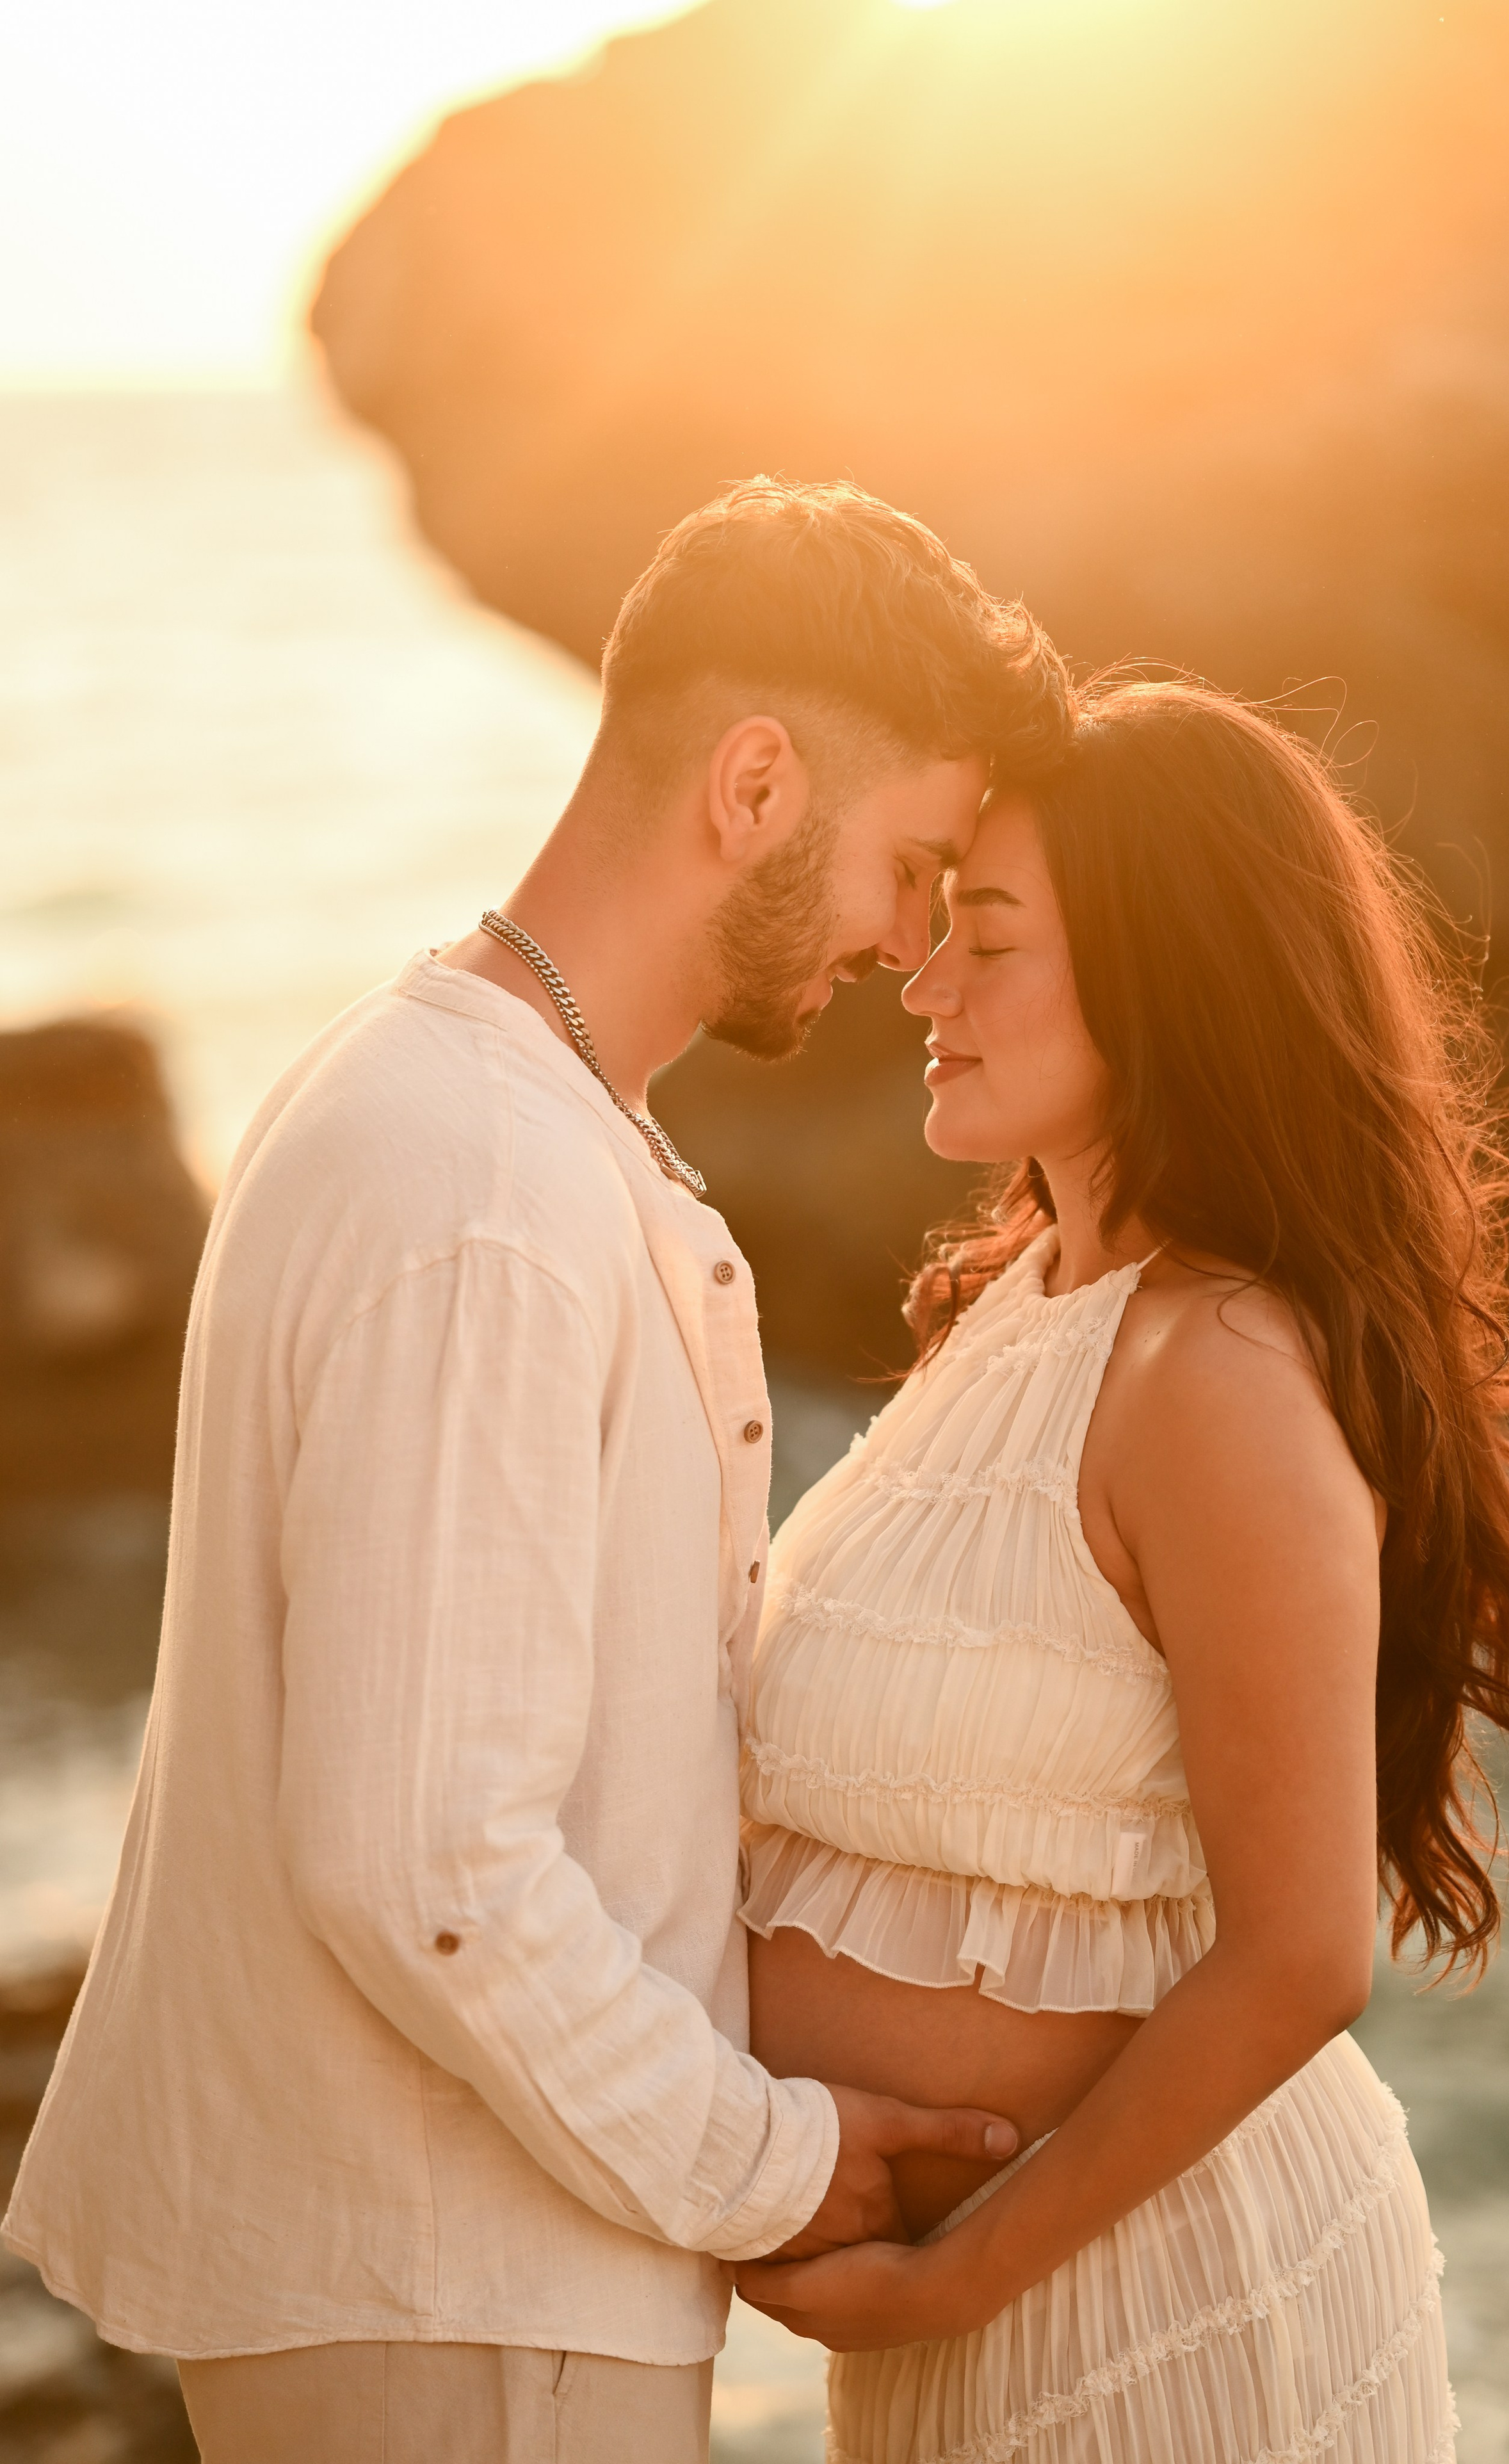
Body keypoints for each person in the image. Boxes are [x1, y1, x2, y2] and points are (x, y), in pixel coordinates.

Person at [2, 479, 1075, 2463]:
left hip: (452, 2276)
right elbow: (426, 1859)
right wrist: (765, 2161)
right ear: (755, 783)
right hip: (451, 2294)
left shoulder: (477, 1103)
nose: (907, 941)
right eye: (908, 862)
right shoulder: (488, 1180)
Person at [734, 677, 1509, 2462]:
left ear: (1162, 978)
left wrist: (948, 2283)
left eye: (991, 937)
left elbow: (1301, 1956)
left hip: (1164, 2318)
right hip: (984, 2320)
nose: (925, 978)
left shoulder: (1209, 1372)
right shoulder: (1018, 1303)